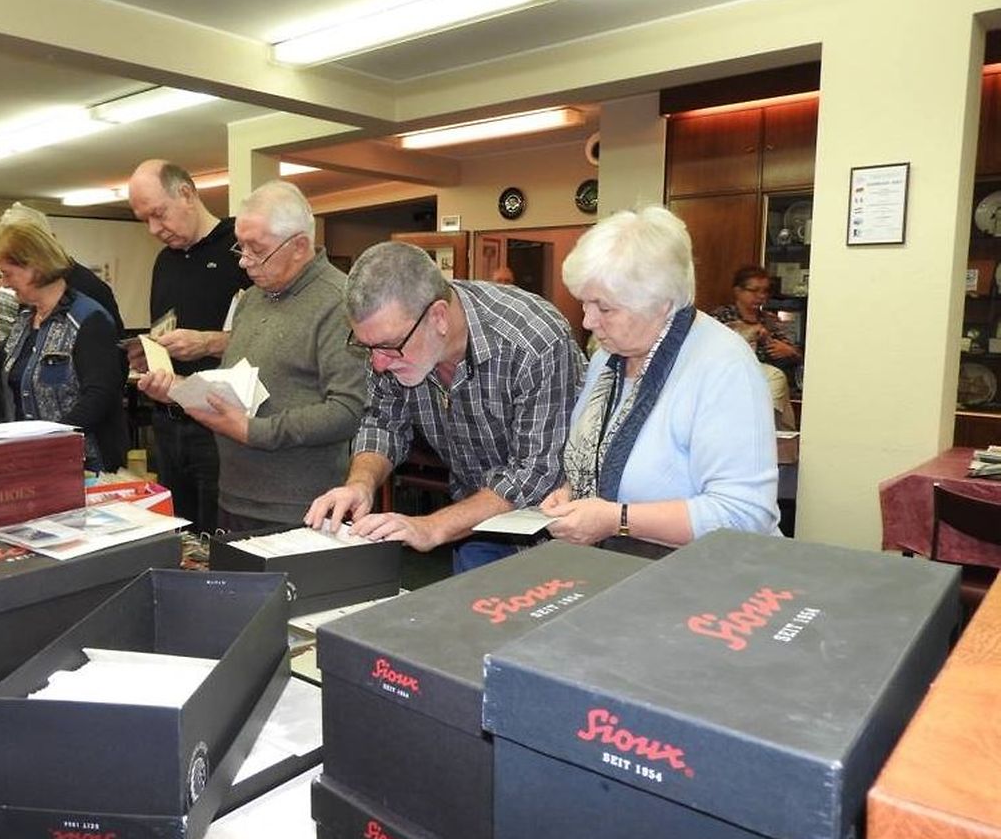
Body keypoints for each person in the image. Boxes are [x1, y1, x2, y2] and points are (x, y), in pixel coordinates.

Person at [305, 241, 585, 573]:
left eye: (389, 346)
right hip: (475, 521)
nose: (378, 364)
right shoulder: (392, 343)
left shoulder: (533, 340)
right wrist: (360, 484)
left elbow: (535, 474)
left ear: (438, 316)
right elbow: (382, 422)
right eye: (367, 347)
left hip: (556, 530)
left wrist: (432, 527)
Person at [538, 207, 779, 548]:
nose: (588, 321)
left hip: (696, 570)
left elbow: (744, 515)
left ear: (661, 304)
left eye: (604, 308)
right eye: (585, 304)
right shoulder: (607, 358)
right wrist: (570, 494)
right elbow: (596, 456)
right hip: (616, 565)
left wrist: (616, 519)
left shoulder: (723, 364)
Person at [138, 181, 366, 530]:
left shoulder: (339, 302)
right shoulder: (254, 298)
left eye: (256, 249)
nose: (244, 261)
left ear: (299, 246)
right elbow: (233, 385)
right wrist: (180, 390)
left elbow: (348, 410)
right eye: (240, 247)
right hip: (234, 494)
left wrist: (254, 431)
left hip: (300, 507)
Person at [127, 159, 252, 534]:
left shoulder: (242, 250)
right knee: (180, 538)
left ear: (186, 194)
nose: (154, 229)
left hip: (221, 426)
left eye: (158, 214)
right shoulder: (164, 263)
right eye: (145, 220)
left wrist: (209, 343)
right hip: (168, 422)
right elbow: (164, 329)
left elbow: (271, 339)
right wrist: (150, 353)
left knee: (221, 536)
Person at [0, 221, 127, 472]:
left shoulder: (89, 319)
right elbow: (2, 357)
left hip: (83, 464)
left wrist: (50, 440)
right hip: (31, 461)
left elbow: (99, 397)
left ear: (34, 269)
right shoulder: (26, 318)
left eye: (8, 274)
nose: (4, 283)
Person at [0, 202, 126, 343]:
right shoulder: (27, 310)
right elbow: (5, 347)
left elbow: (114, 347)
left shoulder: (89, 292)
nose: (5, 283)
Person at [711, 264, 801, 430]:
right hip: (731, 379)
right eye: (754, 291)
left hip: (767, 385)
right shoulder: (721, 317)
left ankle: (766, 427)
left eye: (765, 291)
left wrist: (788, 351)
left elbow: (796, 354)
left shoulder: (769, 320)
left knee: (777, 381)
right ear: (738, 291)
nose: (761, 296)